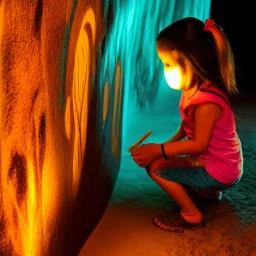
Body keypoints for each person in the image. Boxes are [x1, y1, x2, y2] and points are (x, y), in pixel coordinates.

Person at [130, 17, 243, 233]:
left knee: (156, 169)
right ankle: (208, 194)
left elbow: (199, 144)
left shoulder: (206, 104)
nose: (165, 70)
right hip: (219, 162)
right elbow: (186, 127)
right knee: (167, 160)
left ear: (190, 62)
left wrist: (159, 151)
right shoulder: (195, 90)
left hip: (221, 170)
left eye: (168, 63)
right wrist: (166, 149)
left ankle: (192, 216)